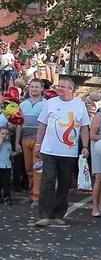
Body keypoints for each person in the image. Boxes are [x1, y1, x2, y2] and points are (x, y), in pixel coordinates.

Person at [33, 77, 91, 227]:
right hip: (49, 150)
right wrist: (38, 144)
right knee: (48, 181)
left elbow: (84, 127)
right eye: (59, 86)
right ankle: (45, 215)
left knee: (65, 183)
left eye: (62, 87)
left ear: (71, 89)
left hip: (68, 152)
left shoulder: (80, 105)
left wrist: (85, 146)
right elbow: (42, 125)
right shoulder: (50, 103)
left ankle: (59, 215)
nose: (59, 89)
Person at [14, 78, 46, 207]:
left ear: (42, 89)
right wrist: (17, 142)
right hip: (25, 138)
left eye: (36, 87)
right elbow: (19, 124)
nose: (34, 89)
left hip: (38, 140)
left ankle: (37, 197)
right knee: (28, 169)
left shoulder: (46, 104)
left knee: (37, 169)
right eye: (32, 87)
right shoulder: (23, 104)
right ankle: (31, 194)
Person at [0, 125, 15, 204]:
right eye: (2, 134)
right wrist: (1, 140)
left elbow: (10, 153)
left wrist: (16, 153)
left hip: (6, 166)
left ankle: (7, 197)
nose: (4, 136)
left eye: (6, 134)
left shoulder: (9, 144)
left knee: (6, 183)